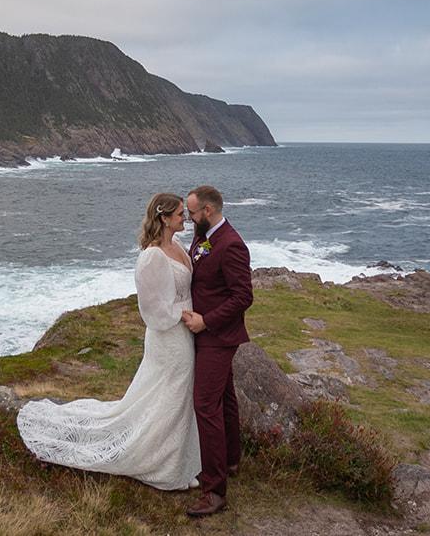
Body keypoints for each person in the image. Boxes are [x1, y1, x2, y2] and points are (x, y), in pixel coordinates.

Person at [14, 193, 202, 490]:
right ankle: (162, 466)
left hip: (184, 333)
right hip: (169, 336)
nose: (185, 219)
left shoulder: (176, 245)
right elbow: (152, 308)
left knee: (176, 396)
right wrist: (183, 315)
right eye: (180, 214)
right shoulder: (152, 256)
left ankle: (177, 460)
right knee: (170, 396)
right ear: (164, 218)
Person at [180, 184, 252, 517]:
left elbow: (242, 298)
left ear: (207, 211)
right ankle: (231, 461)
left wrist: (206, 321)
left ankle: (215, 491)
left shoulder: (232, 245)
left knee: (204, 404)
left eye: (192, 213)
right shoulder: (206, 235)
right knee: (224, 398)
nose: (189, 218)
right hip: (209, 334)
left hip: (218, 337)